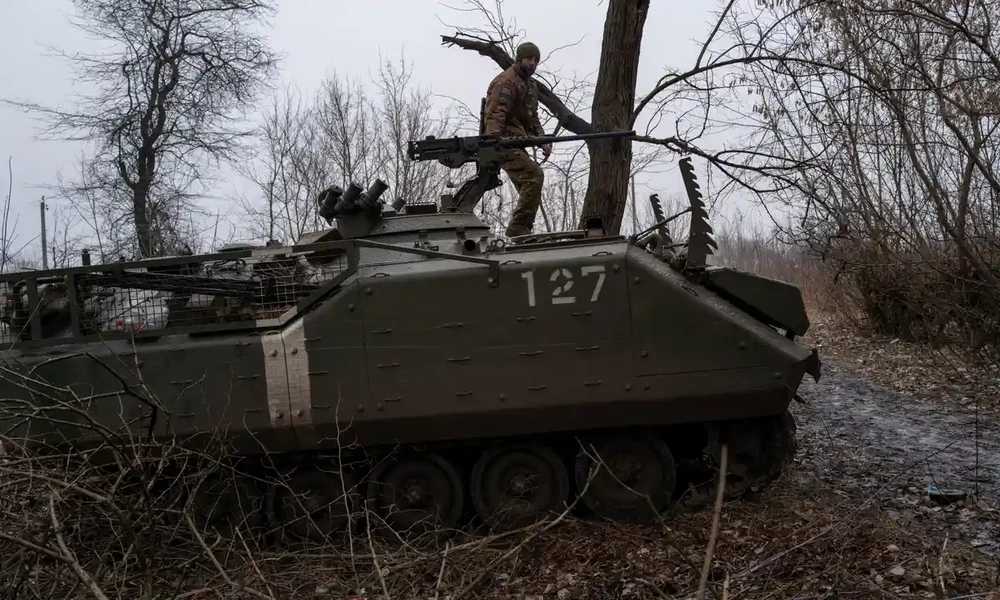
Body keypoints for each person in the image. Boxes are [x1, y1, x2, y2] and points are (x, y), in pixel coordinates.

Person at [483, 41, 551, 238]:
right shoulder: (507, 81)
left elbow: (532, 117)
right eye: (530, 59)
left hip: (517, 143)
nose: (533, 63)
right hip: (503, 143)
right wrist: (495, 139)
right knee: (534, 176)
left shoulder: (529, 85)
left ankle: (523, 232)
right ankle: (518, 228)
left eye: (536, 60)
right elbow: (496, 112)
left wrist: (542, 139)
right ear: (519, 58)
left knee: (529, 188)